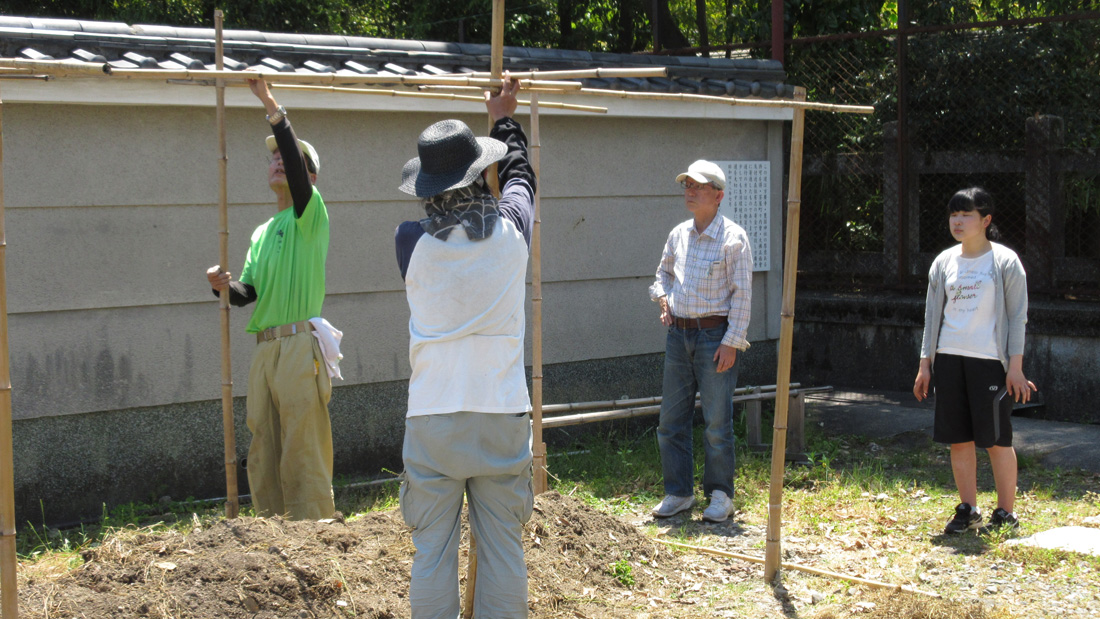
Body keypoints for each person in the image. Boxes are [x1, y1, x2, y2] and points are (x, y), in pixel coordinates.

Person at [395, 74, 536, 618]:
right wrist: (504, 118)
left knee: (431, 553)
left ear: (428, 187)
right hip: (500, 411)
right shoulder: (513, 233)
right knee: (503, 547)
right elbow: (521, 178)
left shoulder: (409, 243)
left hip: (433, 416)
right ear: (481, 174)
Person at [205, 78, 339, 521]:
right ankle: (271, 528)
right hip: (264, 349)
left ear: (310, 177)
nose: (279, 162)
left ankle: (316, 531)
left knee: (303, 442)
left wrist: (271, 107)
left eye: (290, 159)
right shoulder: (262, 233)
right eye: (275, 158)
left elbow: (299, 183)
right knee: (263, 443)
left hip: (300, 345)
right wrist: (223, 286)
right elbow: (249, 295)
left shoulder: (310, 214)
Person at [914, 187, 1036, 534]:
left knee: (997, 440)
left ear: (986, 220)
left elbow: (1017, 316)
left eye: (967, 214)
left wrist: (1015, 366)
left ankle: (1005, 513)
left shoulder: (1005, 261)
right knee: (959, 439)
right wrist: (926, 364)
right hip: (950, 359)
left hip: (989, 362)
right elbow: (931, 316)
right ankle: (968, 508)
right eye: (954, 214)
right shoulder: (944, 262)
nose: (958, 221)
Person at [648, 160, 753, 523]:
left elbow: (742, 296)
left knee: (717, 421)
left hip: (715, 336)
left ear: (719, 195)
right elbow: (662, 273)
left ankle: (721, 494)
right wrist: (663, 298)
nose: (690, 191)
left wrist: (732, 341)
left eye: (699, 186)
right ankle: (678, 492)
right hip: (678, 335)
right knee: (670, 419)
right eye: (687, 185)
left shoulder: (734, 238)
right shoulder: (679, 234)